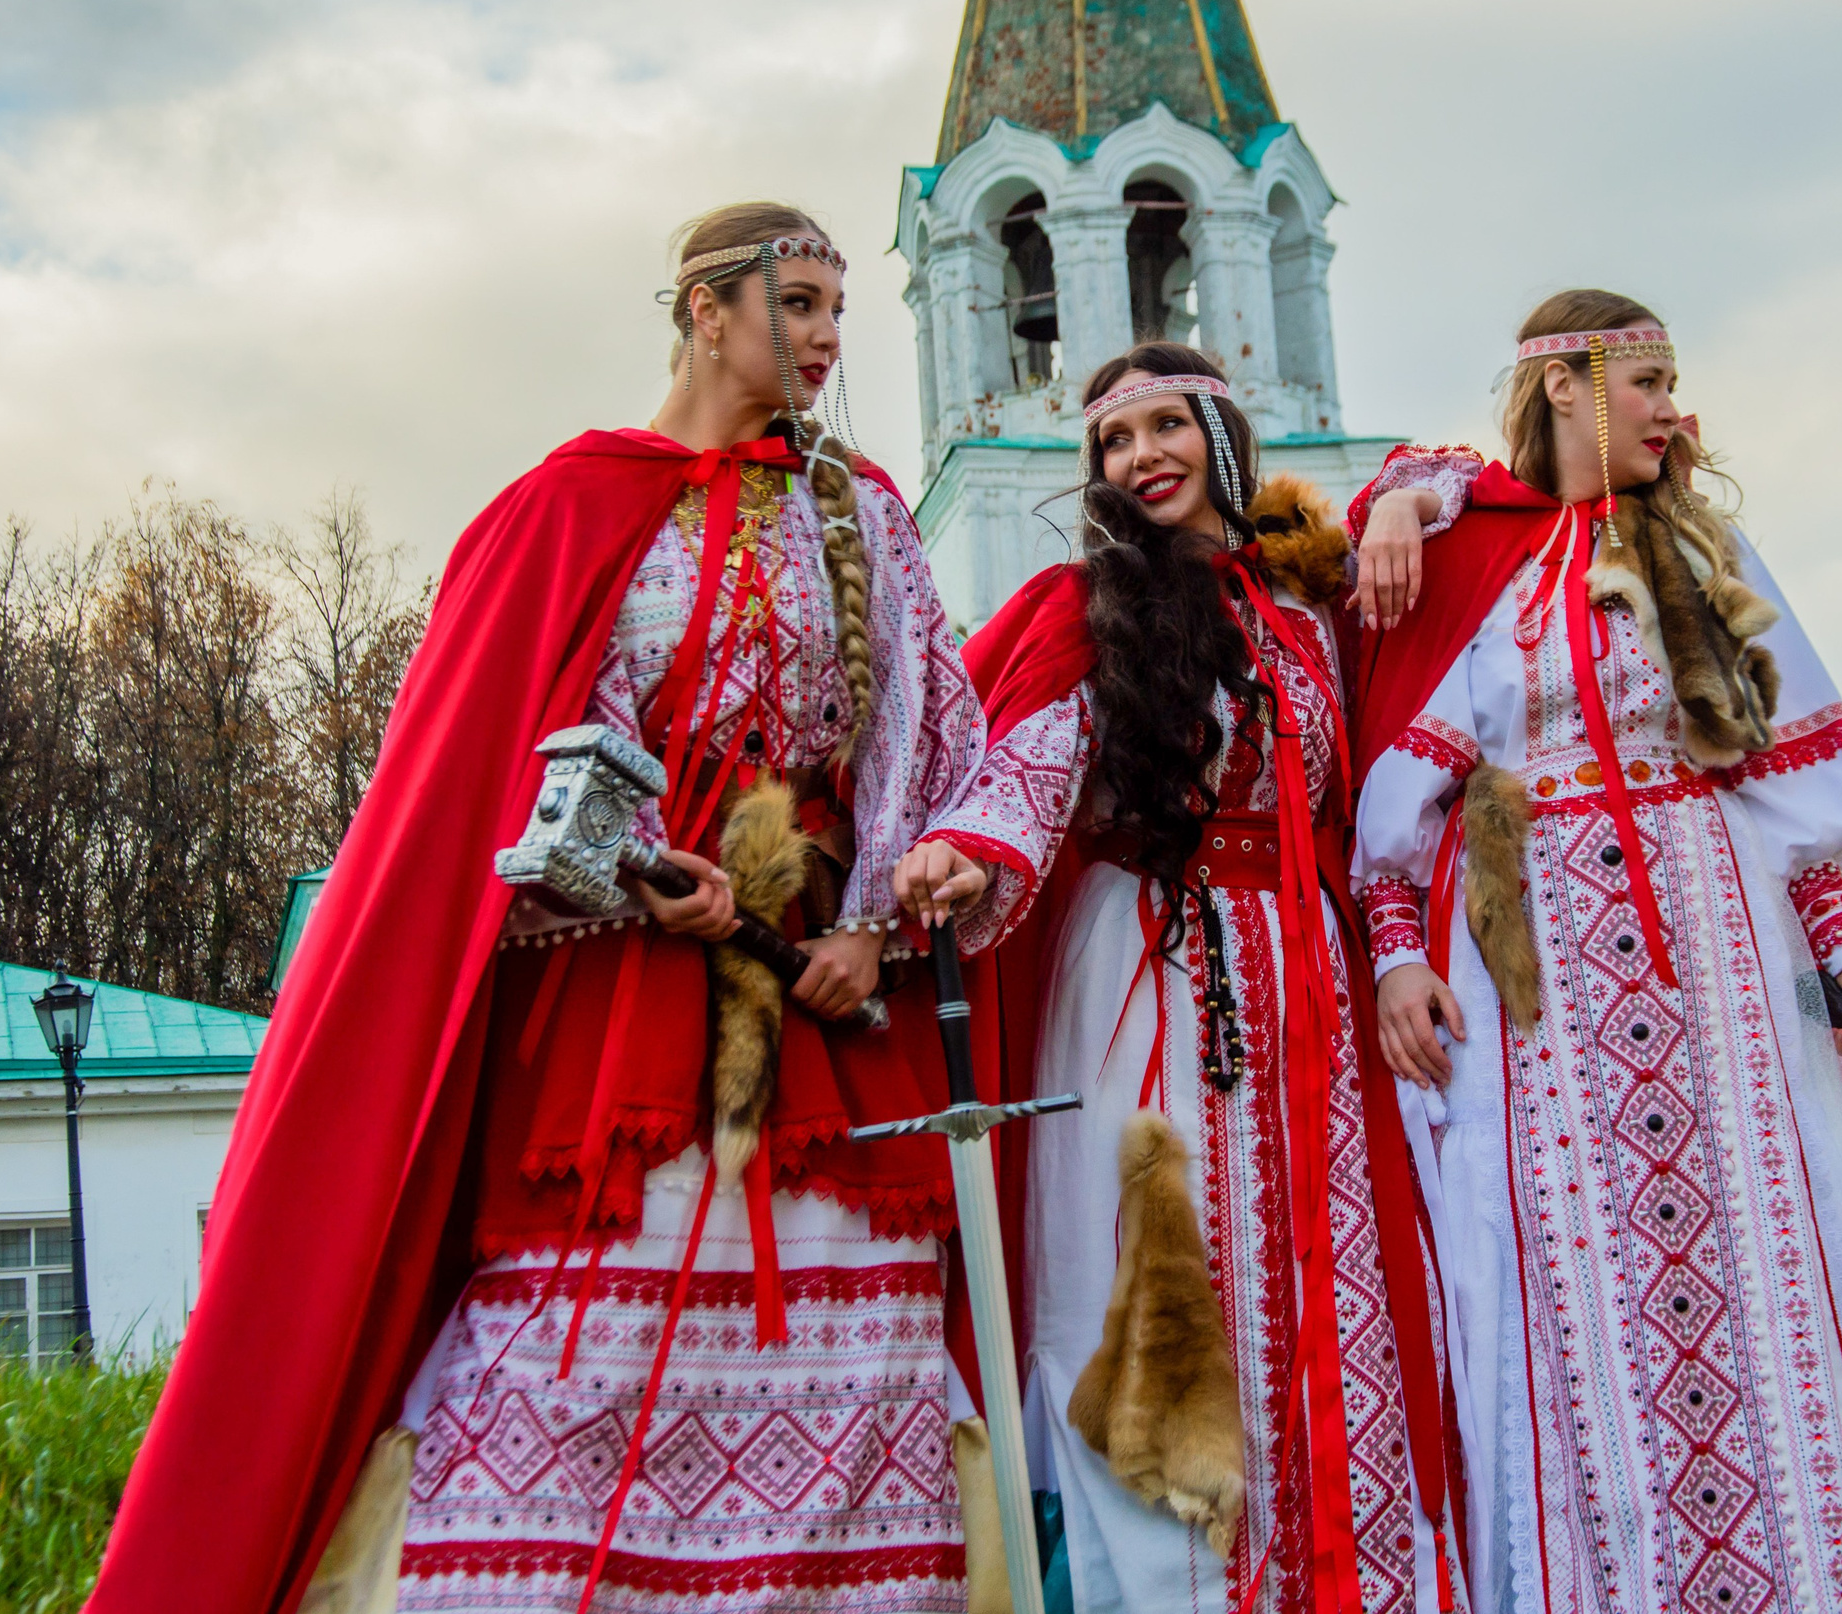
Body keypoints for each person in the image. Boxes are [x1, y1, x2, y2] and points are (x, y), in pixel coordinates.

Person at [89, 203, 990, 1614]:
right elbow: (510, 774)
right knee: (569, 1353)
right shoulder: (571, 508)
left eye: (837, 311)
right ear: (706, 308)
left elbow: (929, 730)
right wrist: (643, 867)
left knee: (860, 1339)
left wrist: (869, 920)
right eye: (797, 302)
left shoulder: (868, 509)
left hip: (822, 1003)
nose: (824, 338)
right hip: (620, 1014)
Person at [1346, 291, 1842, 1612]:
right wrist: (1401, 951)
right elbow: (1395, 804)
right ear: (1564, 384)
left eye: (1675, 383)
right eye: (1648, 381)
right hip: (1547, 1007)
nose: (1674, 410)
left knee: (1770, 1276)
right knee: (1578, 1299)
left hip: (1724, 972)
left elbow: (1788, 785)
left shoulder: (1698, 548)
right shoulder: (1488, 571)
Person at [892, 344, 1461, 1614]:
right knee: (1159, 1288)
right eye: (1113, 440)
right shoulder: (1082, 606)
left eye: (1165, 426)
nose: (1141, 457)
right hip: (1145, 976)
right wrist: (967, 853)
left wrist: (1408, 505)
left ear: (1217, 429)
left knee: (1333, 1290)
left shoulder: (1309, 611)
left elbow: (1461, 475)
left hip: (1306, 975)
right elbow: (1031, 764)